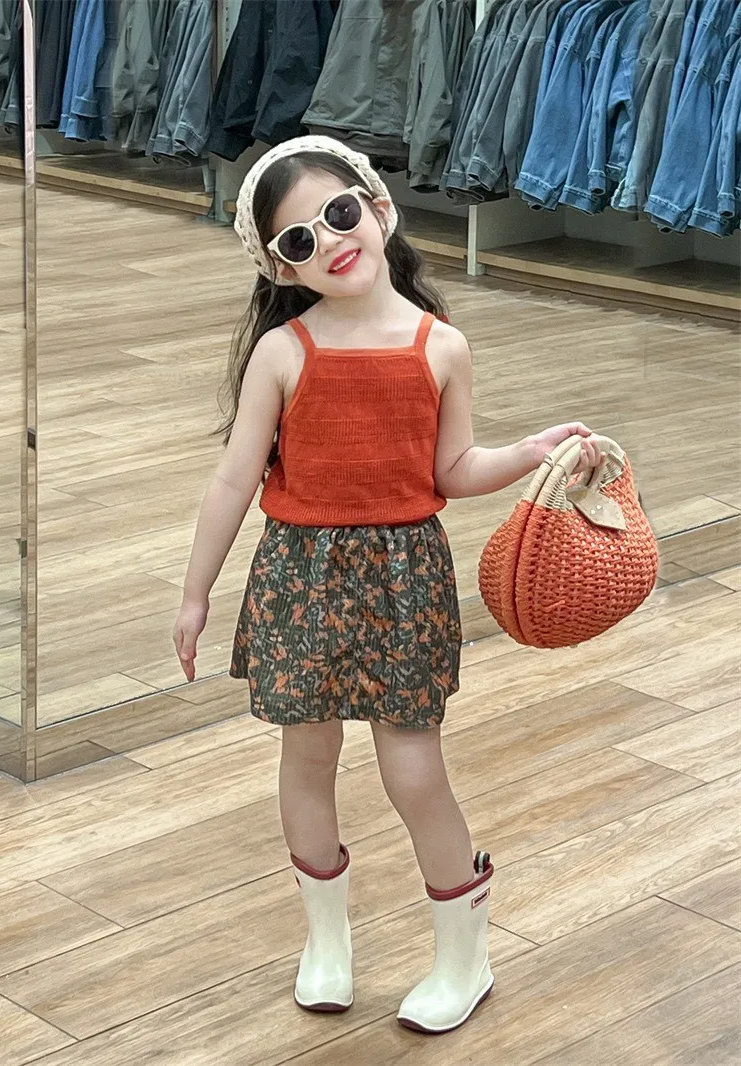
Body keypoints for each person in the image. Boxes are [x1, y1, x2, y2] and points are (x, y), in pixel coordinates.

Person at [173, 135, 601, 1035]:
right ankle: (326, 943)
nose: (329, 240)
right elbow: (233, 478)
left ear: (379, 208)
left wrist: (526, 453)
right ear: (281, 267)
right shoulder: (281, 353)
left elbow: (452, 468)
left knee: (413, 769)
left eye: (339, 213)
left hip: (406, 583)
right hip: (298, 578)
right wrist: (195, 592)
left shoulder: (441, 346)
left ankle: (465, 957)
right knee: (307, 757)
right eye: (299, 239)